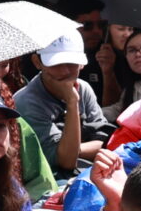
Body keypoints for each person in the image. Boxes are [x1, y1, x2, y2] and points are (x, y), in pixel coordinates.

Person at [14, 31, 105, 173]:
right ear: (37, 62)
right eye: (55, 64)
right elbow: (66, 161)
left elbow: (107, 142)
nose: (65, 71)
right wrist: (72, 102)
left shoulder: (84, 88)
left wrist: (75, 149)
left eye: (71, 63)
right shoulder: (26, 102)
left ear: (82, 64)